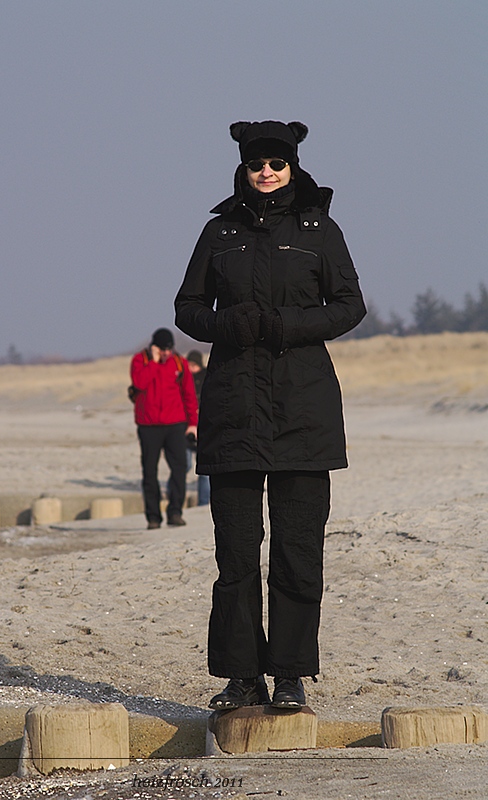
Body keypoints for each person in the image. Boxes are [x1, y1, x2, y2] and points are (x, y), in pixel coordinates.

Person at [174, 120, 366, 710]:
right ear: (244, 166)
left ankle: (289, 676)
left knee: (297, 552)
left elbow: (350, 306)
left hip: (304, 411)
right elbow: (187, 307)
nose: (266, 172)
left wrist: (286, 326)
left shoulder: (320, 230)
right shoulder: (219, 232)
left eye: (276, 163)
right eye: (257, 163)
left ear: (292, 166)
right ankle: (242, 677)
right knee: (235, 556)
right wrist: (226, 324)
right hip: (233, 411)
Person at [130, 327, 198, 530]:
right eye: (163, 349)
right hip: (148, 425)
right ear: (154, 347)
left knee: (179, 468)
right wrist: (153, 361)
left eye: (169, 349)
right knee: (149, 471)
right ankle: (153, 518)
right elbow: (139, 383)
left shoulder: (180, 363)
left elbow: (189, 395)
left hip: (175, 424)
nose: (167, 353)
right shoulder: (140, 361)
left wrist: (193, 424)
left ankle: (175, 512)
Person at [185, 350, 210, 506]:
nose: (191, 368)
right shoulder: (183, 377)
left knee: (204, 469)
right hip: (186, 427)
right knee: (183, 465)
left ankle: (203, 502)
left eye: (194, 365)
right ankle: (176, 497)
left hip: (204, 426)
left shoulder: (208, 375)